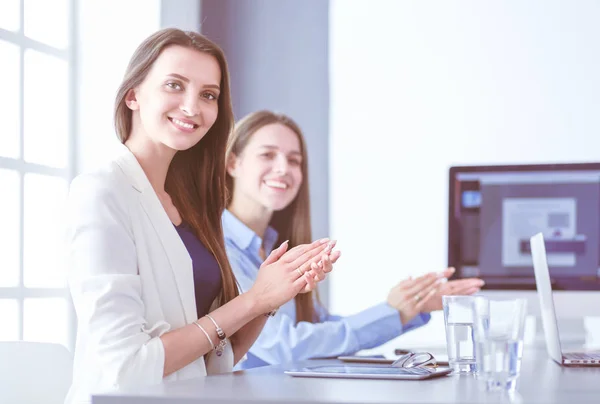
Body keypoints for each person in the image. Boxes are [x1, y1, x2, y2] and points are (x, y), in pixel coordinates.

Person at [64, 30, 336, 403]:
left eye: (208, 94)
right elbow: (126, 367)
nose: (192, 106)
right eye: (175, 85)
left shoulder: (193, 204)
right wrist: (254, 300)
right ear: (133, 95)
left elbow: (212, 363)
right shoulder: (102, 191)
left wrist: (273, 296)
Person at [222, 110, 485, 369]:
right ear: (233, 163)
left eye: (294, 160)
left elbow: (319, 328)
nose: (283, 168)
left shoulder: (274, 246)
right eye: (267, 155)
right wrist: (393, 313)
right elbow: (285, 345)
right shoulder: (219, 249)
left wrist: (410, 307)